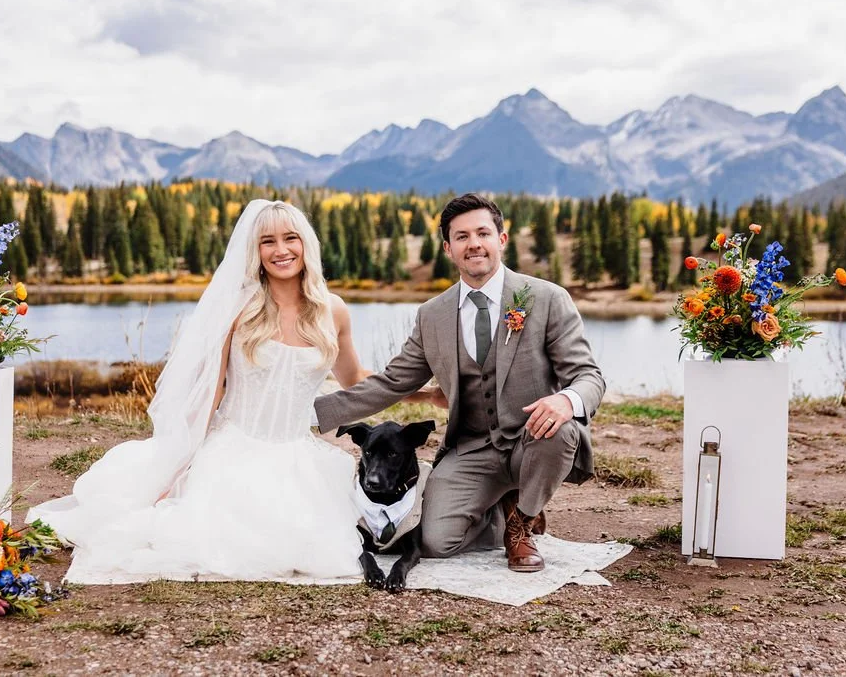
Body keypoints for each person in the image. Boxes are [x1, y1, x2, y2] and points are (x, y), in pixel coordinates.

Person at [29, 200, 407, 583]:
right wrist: (177, 468)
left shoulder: (334, 311)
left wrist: (422, 391)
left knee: (321, 546)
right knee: (207, 539)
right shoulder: (240, 309)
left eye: (290, 238)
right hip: (234, 451)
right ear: (255, 253)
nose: (281, 250)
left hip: (299, 458)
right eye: (267, 241)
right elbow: (211, 392)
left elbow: (355, 376)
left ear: (306, 243)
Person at [314, 193, 605, 572]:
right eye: (462, 237)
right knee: (435, 542)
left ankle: (522, 522)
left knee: (561, 430)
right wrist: (314, 412)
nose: (474, 244)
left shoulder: (547, 298)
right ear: (449, 249)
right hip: (471, 450)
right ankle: (497, 512)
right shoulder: (432, 316)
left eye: (483, 233)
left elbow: (589, 377)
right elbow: (391, 382)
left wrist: (567, 400)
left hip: (532, 441)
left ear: (501, 239)